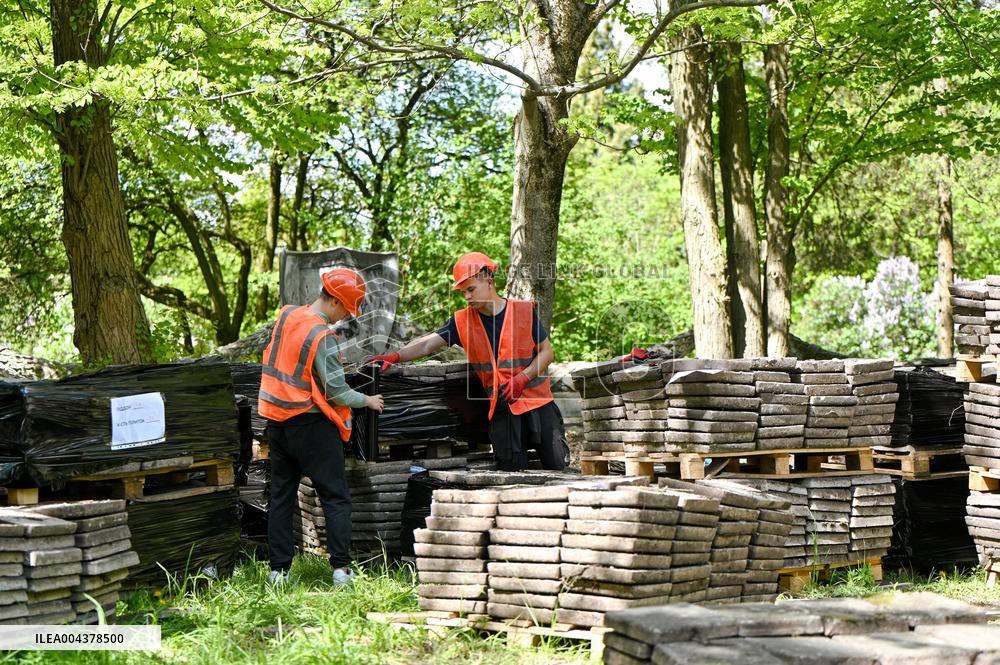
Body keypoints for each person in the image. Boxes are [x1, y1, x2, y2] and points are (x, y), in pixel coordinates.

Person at [370, 252, 568, 471]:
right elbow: (427, 344)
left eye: (471, 289)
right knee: (512, 472)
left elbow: (547, 352)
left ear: (489, 281)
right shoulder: (461, 321)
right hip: (503, 407)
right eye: (463, 291)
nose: (467, 296)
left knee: (558, 465)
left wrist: (523, 378)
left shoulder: (523, 311)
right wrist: (395, 356)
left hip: (538, 403)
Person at [258, 268, 384, 587]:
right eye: (346, 309)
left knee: (282, 496)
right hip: (310, 423)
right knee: (335, 496)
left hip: (276, 421)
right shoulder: (321, 335)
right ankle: (341, 570)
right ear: (337, 302)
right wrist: (368, 401)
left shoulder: (287, 316)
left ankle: (279, 572)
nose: (345, 317)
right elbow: (336, 391)